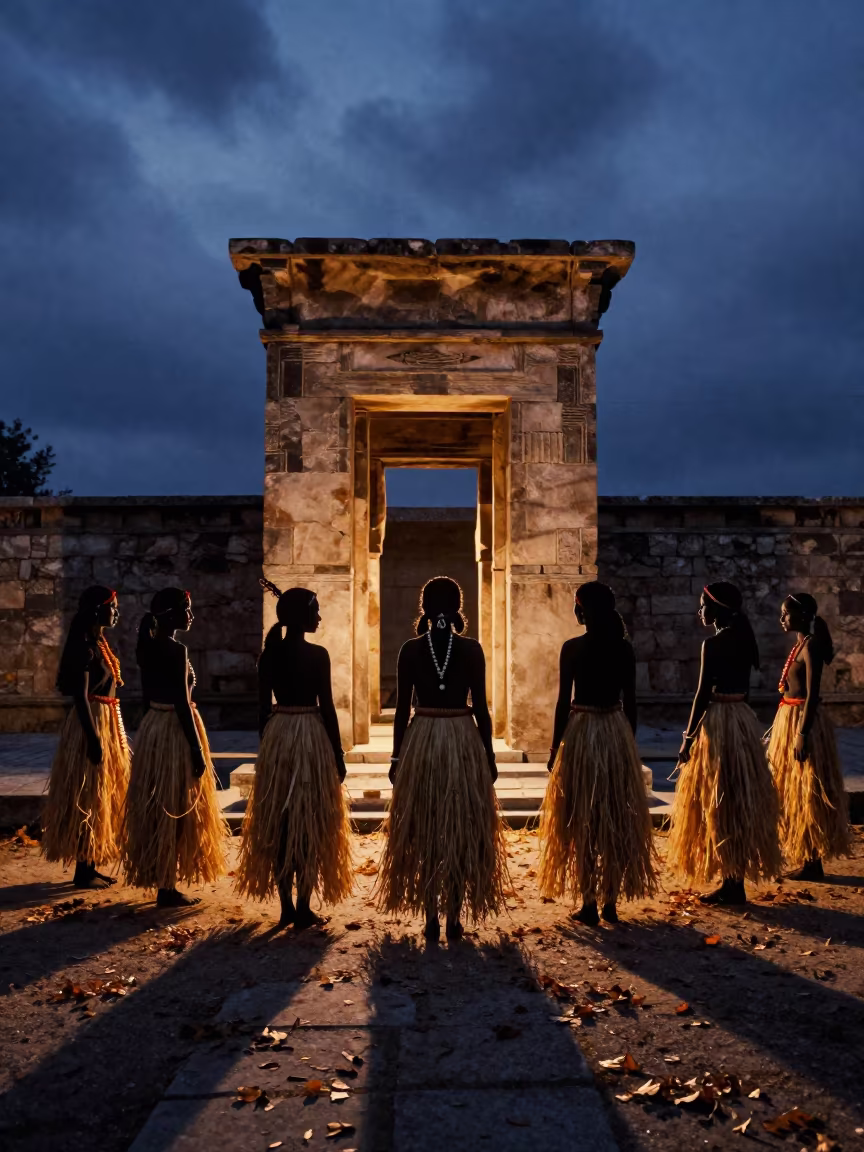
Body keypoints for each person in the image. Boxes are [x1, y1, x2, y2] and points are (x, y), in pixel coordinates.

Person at [376, 576, 506, 940]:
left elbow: (401, 711)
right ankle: (453, 917)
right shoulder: (472, 650)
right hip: (463, 739)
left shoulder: (410, 650)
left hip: (423, 739)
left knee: (427, 828)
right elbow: (481, 709)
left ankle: (431, 917)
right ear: (458, 607)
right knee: (460, 828)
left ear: (425, 608)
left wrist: (397, 757)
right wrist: (488, 755)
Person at [538, 581, 657, 925]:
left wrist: (555, 748)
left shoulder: (573, 648)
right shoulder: (624, 648)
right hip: (615, 732)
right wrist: (629, 746)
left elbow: (563, 702)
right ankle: (609, 902)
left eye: (577, 606)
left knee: (585, 820)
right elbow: (631, 702)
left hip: (583, 731)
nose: (575, 611)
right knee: (615, 818)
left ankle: (590, 902)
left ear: (584, 610)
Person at [236, 582, 352, 929]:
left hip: (279, 737)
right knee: (309, 822)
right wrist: (337, 754)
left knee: (282, 823)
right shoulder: (317, 655)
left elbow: (262, 711)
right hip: (311, 736)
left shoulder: (270, 656)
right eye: (315, 611)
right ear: (301, 617)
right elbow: (327, 708)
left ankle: (288, 907)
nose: (319, 618)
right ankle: (302, 907)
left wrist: (270, 749)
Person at [668, 582, 781, 904]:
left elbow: (702, 694)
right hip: (741, 719)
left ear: (717, 608)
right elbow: (746, 690)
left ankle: (732, 884)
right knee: (737, 799)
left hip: (719, 722)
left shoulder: (714, 644)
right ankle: (734, 880)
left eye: (703, 605)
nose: (699, 611)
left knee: (720, 801)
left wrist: (688, 739)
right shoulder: (745, 639)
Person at [122, 588, 227, 907]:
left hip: (154, 726)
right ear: (170, 615)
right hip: (174, 730)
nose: (191, 616)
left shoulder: (148, 647)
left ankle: (163, 879)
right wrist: (196, 750)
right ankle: (166, 888)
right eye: (187, 610)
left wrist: (147, 734)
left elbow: (146, 698)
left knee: (157, 803)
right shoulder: (176, 649)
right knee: (174, 803)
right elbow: (182, 701)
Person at [42, 586, 130, 889]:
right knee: (87, 794)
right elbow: (80, 697)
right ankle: (83, 870)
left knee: (99, 794)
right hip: (90, 725)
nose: (116, 612)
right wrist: (93, 739)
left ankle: (90, 864)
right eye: (112, 606)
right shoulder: (84, 647)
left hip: (105, 721)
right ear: (96, 609)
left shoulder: (98, 643)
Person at [767, 593, 850, 880]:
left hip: (803, 721)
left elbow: (813, 694)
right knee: (794, 789)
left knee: (808, 790)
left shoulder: (811, 646)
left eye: (786, 613)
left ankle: (813, 862)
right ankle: (808, 859)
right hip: (790, 718)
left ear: (803, 615)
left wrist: (802, 733)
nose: (782, 618)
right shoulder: (800, 644)